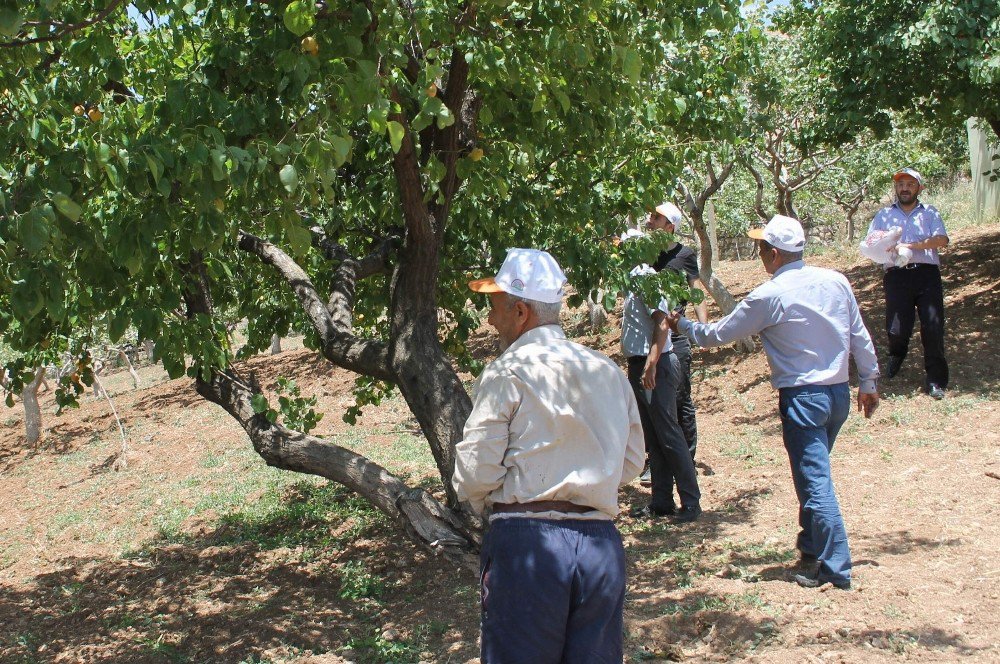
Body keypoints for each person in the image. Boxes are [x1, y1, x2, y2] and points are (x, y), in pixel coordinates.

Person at [667, 215, 880, 590]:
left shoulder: (770, 295)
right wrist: (868, 380)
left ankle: (835, 567)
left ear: (774, 253)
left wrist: (681, 326)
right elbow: (858, 333)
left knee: (815, 483)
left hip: (803, 397)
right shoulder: (835, 281)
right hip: (837, 394)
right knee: (812, 476)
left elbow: (717, 334)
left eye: (762, 247)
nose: (759, 253)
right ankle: (811, 548)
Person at [453, 248, 645, 663]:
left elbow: (475, 472)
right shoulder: (605, 369)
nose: (490, 319)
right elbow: (631, 464)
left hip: (528, 547)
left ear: (520, 312)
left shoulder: (507, 371)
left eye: (495, 308)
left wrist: (488, 498)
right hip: (599, 548)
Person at [620, 236, 701, 523]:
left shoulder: (643, 276)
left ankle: (691, 501)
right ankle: (661, 500)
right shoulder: (633, 277)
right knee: (654, 435)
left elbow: (662, 322)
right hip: (642, 363)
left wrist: (652, 364)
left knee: (668, 433)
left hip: (653, 364)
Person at [867, 167, 950, 399]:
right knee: (896, 327)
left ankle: (936, 380)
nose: (904, 188)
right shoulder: (883, 215)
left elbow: (941, 239)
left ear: (919, 188)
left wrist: (910, 246)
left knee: (933, 327)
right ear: (896, 188)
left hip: (926, 275)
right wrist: (885, 247)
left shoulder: (929, 213)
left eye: (910, 184)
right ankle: (897, 353)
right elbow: (871, 241)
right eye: (901, 184)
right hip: (896, 275)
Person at [649, 202, 710, 460]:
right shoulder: (645, 254)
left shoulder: (685, 255)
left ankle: (686, 456)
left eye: (656, 218)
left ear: (670, 227)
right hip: (651, 336)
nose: (650, 221)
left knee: (681, 397)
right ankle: (658, 458)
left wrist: (702, 330)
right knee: (654, 399)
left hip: (677, 336)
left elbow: (696, 293)